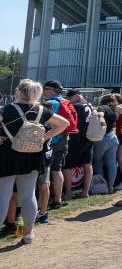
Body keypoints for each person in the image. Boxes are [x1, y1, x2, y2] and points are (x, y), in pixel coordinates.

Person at [0, 79, 69, 244]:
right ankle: (28, 234)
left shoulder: (8, 109)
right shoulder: (41, 110)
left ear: (18, 92)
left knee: (3, 195)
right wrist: (44, 138)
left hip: (8, 155)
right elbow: (64, 124)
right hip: (32, 155)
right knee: (28, 195)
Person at [42, 80, 76, 209]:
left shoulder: (51, 103)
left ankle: (43, 202)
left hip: (51, 139)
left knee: (45, 171)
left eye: (45, 89)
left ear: (50, 90)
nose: (43, 91)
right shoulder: (66, 102)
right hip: (63, 139)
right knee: (57, 169)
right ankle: (58, 199)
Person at [63, 89, 96, 199]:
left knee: (68, 166)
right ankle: (85, 191)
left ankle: (68, 193)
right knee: (87, 164)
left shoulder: (77, 106)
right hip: (90, 137)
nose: (69, 100)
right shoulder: (89, 104)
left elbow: (73, 123)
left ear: (77, 96)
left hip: (78, 139)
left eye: (70, 98)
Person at [91, 94, 119, 194]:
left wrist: (97, 114)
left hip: (102, 138)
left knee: (97, 161)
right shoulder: (114, 110)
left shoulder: (103, 107)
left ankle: (102, 186)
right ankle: (111, 186)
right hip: (113, 136)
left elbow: (100, 114)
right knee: (112, 163)